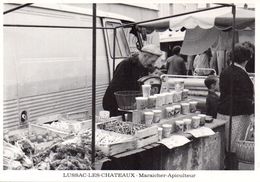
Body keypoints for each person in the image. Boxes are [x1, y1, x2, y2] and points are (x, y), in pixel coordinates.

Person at [217, 43, 254, 169]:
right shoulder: (241, 74)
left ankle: (227, 167)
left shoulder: (225, 71)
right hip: (237, 114)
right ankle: (232, 170)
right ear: (245, 58)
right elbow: (244, 98)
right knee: (235, 147)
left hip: (223, 112)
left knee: (226, 145)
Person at [102, 44, 162, 117]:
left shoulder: (144, 66)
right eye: (152, 61)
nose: (153, 64)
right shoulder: (126, 64)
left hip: (128, 104)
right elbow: (117, 88)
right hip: (115, 104)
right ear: (145, 56)